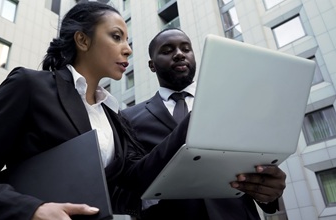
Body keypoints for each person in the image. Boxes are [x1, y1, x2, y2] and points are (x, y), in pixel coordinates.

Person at [0, 3, 194, 220]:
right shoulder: (29, 86)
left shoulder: (114, 117)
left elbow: (137, 178)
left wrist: (193, 121)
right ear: (83, 40)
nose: (128, 49)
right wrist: (33, 210)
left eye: (127, 41)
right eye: (117, 37)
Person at [121, 28, 287, 220]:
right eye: (167, 51)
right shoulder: (128, 118)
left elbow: (256, 162)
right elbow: (128, 185)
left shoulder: (232, 103)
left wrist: (267, 192)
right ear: (152, 65)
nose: (179, 54)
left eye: (186, 49)